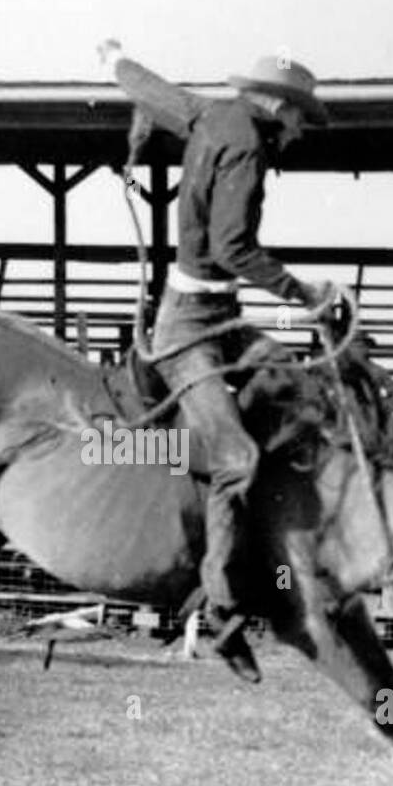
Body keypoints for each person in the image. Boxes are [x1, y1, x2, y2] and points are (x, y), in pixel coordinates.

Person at [100, 39, 335, 682]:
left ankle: (271, 543)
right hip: (191, 334)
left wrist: (115, 60)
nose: (299, 132)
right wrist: (304, 293)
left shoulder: (206, 113)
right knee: (237, 458)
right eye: (299, 119)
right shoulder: (249, 150)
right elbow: (235, 247)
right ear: (276, 107)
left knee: (296, 391)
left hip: (213, 317)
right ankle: (224, 611)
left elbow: (151, 90)